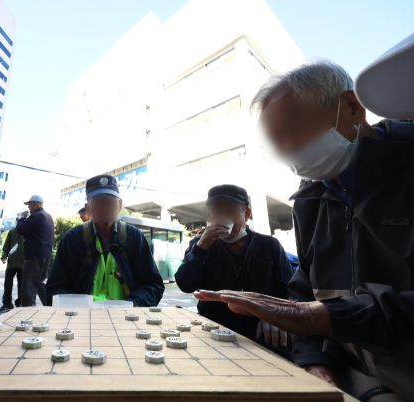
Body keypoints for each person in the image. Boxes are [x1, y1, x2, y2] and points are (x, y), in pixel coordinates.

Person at [195, 59, 414, 401]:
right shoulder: (309, 200)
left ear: (352, 107)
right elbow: (303, 293)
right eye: (276, 140)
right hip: (344, 375)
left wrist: (316, 319)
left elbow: (307, 311)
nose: (288, 148)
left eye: (295, 127)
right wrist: (314, 360)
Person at [175, 185, 294, 359]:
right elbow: (185, 284)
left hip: (263, 332)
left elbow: (290, 290)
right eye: (217, 210)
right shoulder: (199, 244)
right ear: (210, 215)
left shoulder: (268, 245)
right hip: (215, 331)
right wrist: (201, 248)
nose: (223, 216)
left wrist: (274, 316)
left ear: (246, 214)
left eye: (230, 209)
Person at [46, 175, 165, 306]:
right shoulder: (73, 238)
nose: (105, 207)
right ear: (88, 208)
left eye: (109, 201)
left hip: (126, 318)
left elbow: (154, 285)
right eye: (98, 202)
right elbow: (54, 290)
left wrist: (130, 305)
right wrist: (84, 306)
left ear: (119, 205)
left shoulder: (134, 237)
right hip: (83, 319)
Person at [16, 195, 54, 307]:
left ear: (36, 203)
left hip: (34, 256)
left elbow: (21, 229)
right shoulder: (48, 216)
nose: (28, 207)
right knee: (39, 284)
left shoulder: (37, 215)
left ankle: (28, 313)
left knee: (28, 287)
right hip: (45, 255)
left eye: (29, 204)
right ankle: (51, 306)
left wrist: (22, 218)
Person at [0, 213, 25, 313]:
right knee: (7, 284)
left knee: (22, 286)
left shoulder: (28, 232)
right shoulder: (12, 232)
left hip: (23, 264)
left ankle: (20, 303)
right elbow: (6, 246)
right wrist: (4, 256)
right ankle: (7, 304)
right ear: (17, 219)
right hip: (11, 263)